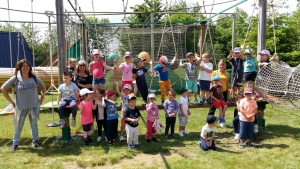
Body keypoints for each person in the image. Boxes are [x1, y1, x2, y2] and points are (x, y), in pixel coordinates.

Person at [1, 59, 46, 151]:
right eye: (23, 66)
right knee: (19, 125)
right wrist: (11, 101)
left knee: (34, 124)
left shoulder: (34, 77)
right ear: (19, 68)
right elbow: (3, 88)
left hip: (34, 105)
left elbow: (43, 86)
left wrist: (42, 98)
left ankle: (35, 141)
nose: (26, 68)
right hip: (21, 106)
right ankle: (15, 143)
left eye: (27, 66)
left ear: (30, 67)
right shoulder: (16, 78)